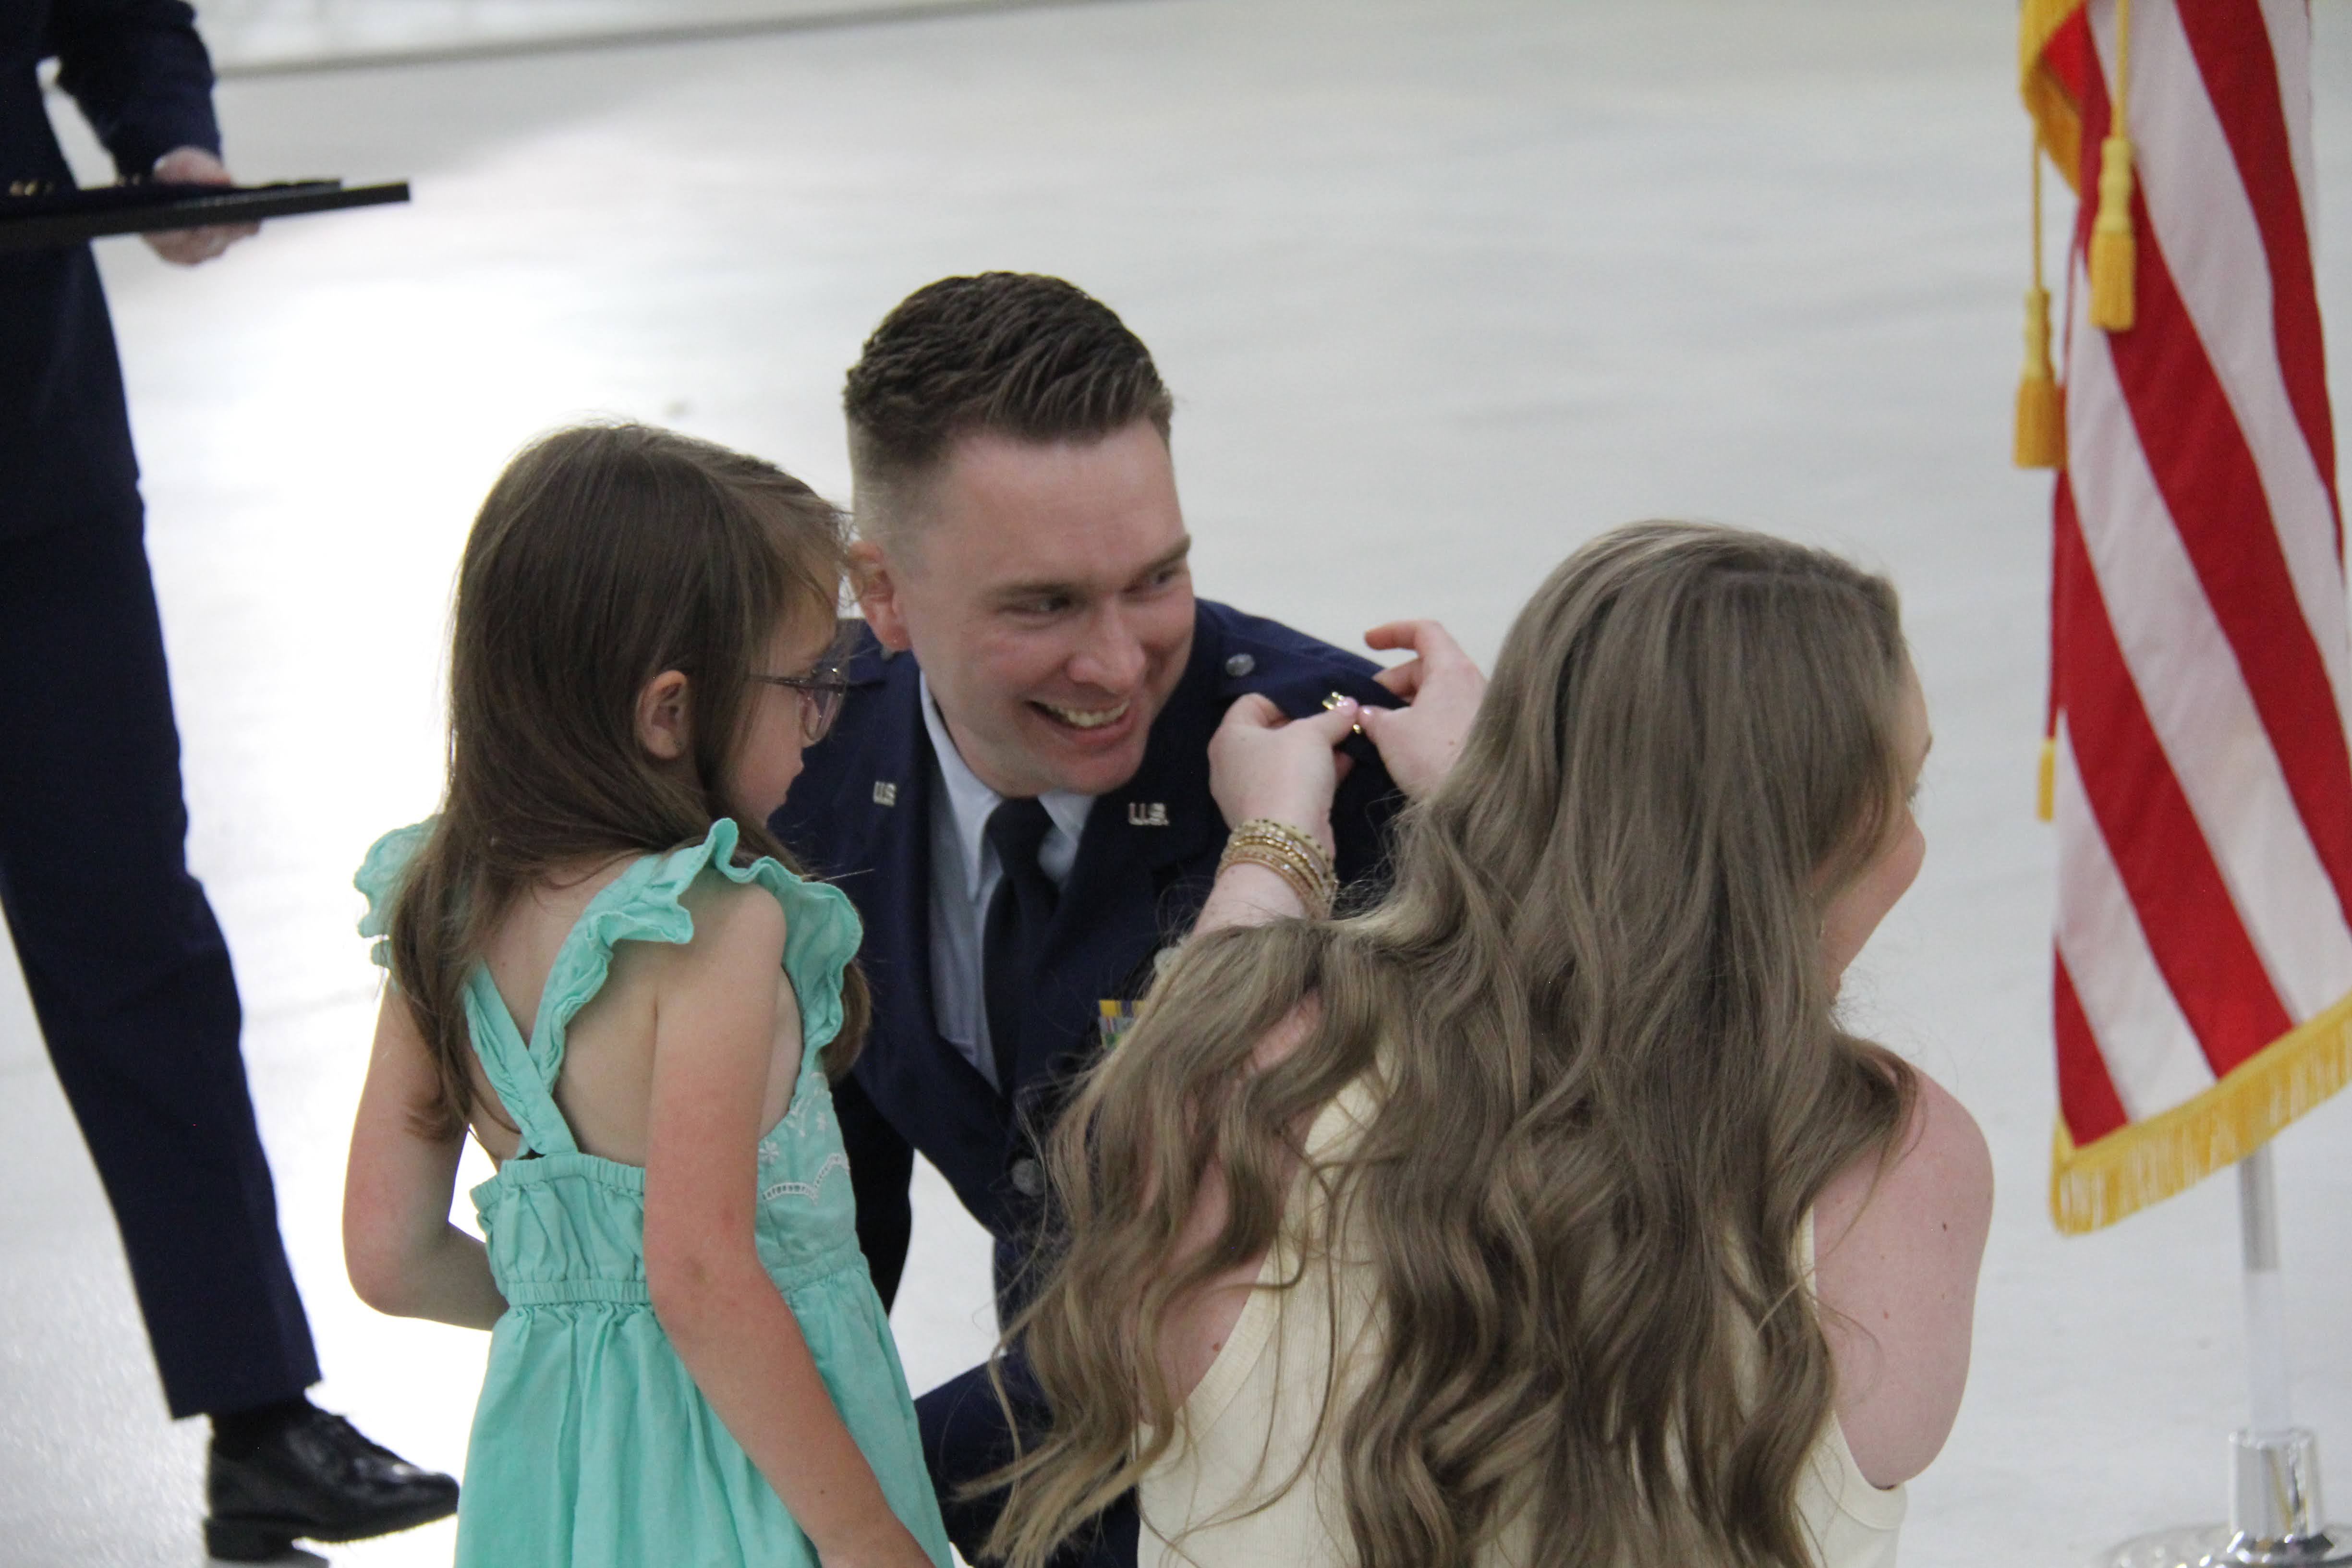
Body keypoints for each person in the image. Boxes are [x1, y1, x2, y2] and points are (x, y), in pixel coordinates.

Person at [987, 523, 1996, 1568]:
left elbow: (1221, 1013)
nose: (1913, 842)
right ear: (1824, 834)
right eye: (1905, 794)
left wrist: (1281, 839)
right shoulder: (1902, 1164)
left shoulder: (1231, 1065)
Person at [0, 3, 453, 1558]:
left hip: (33, 445)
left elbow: (117, 12)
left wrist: (169, 143)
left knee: (138, 940)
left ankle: (259, 1416)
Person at [341, 424, 954, 1568]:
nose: (821, 718)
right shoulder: (713, 925)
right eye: (807, 683)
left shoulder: (440, 907)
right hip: (755, 1486)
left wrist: (577, 1316)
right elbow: (702, 1275)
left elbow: (389, 1253)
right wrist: (866, 1535)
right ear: (669, 712)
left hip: (558, 1483)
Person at [773, 273, 1428, 1330]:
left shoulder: (1362, 775)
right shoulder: (807, 756)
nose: (1119, 666)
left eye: (1156, 580)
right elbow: (830, 1239)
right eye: (1046, 605)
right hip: (1056, 1396)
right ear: (884, 593)